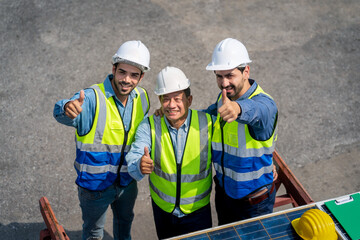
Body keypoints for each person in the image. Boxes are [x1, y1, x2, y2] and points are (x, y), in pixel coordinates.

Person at [53, 40, 151, 240]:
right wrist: (66, 109)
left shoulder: (143, 98)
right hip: (94, 188)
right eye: (122, 72)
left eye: (134, 75)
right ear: (113, 69)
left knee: (125, 226)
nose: (127, 80)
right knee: (93, 234)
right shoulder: (91, 98)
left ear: (141, 78)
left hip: (127, 182)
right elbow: (64, 110)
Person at [126, 66, 213, 239]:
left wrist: (266, 164)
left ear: (189, 100)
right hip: (163, 212)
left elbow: (231, 149)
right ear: (159, 100)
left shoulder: (208, 124)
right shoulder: (149, 125)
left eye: (177, 99)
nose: (171, 105)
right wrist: (138, 164)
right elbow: (135, 154)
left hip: (198, 212)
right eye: (166, 99)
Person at [204, 38, 278, 225]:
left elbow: (256, 110)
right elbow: (206, 117)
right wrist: (176, 114)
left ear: (246, 71)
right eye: (219, 76)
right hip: (225, 195)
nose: (224, 83)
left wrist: (238, 108)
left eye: (230, 75)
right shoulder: (224, 97)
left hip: (253, 205)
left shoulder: (265, 104)